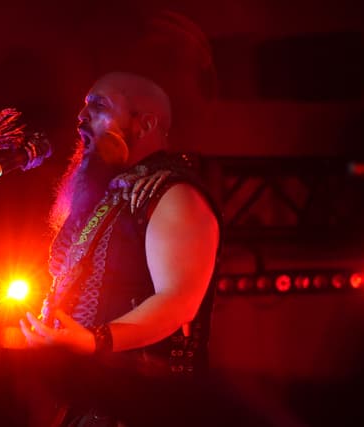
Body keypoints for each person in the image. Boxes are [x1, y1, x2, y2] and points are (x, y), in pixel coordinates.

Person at [18, 71, 222, 427]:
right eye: (84, 108)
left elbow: (178, 301)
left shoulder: (174, 195)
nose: (82, 118)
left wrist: (96, 341)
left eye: (99, 106)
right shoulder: (108, 196)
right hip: (91, 404)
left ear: (143, 126)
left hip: (148, 409)